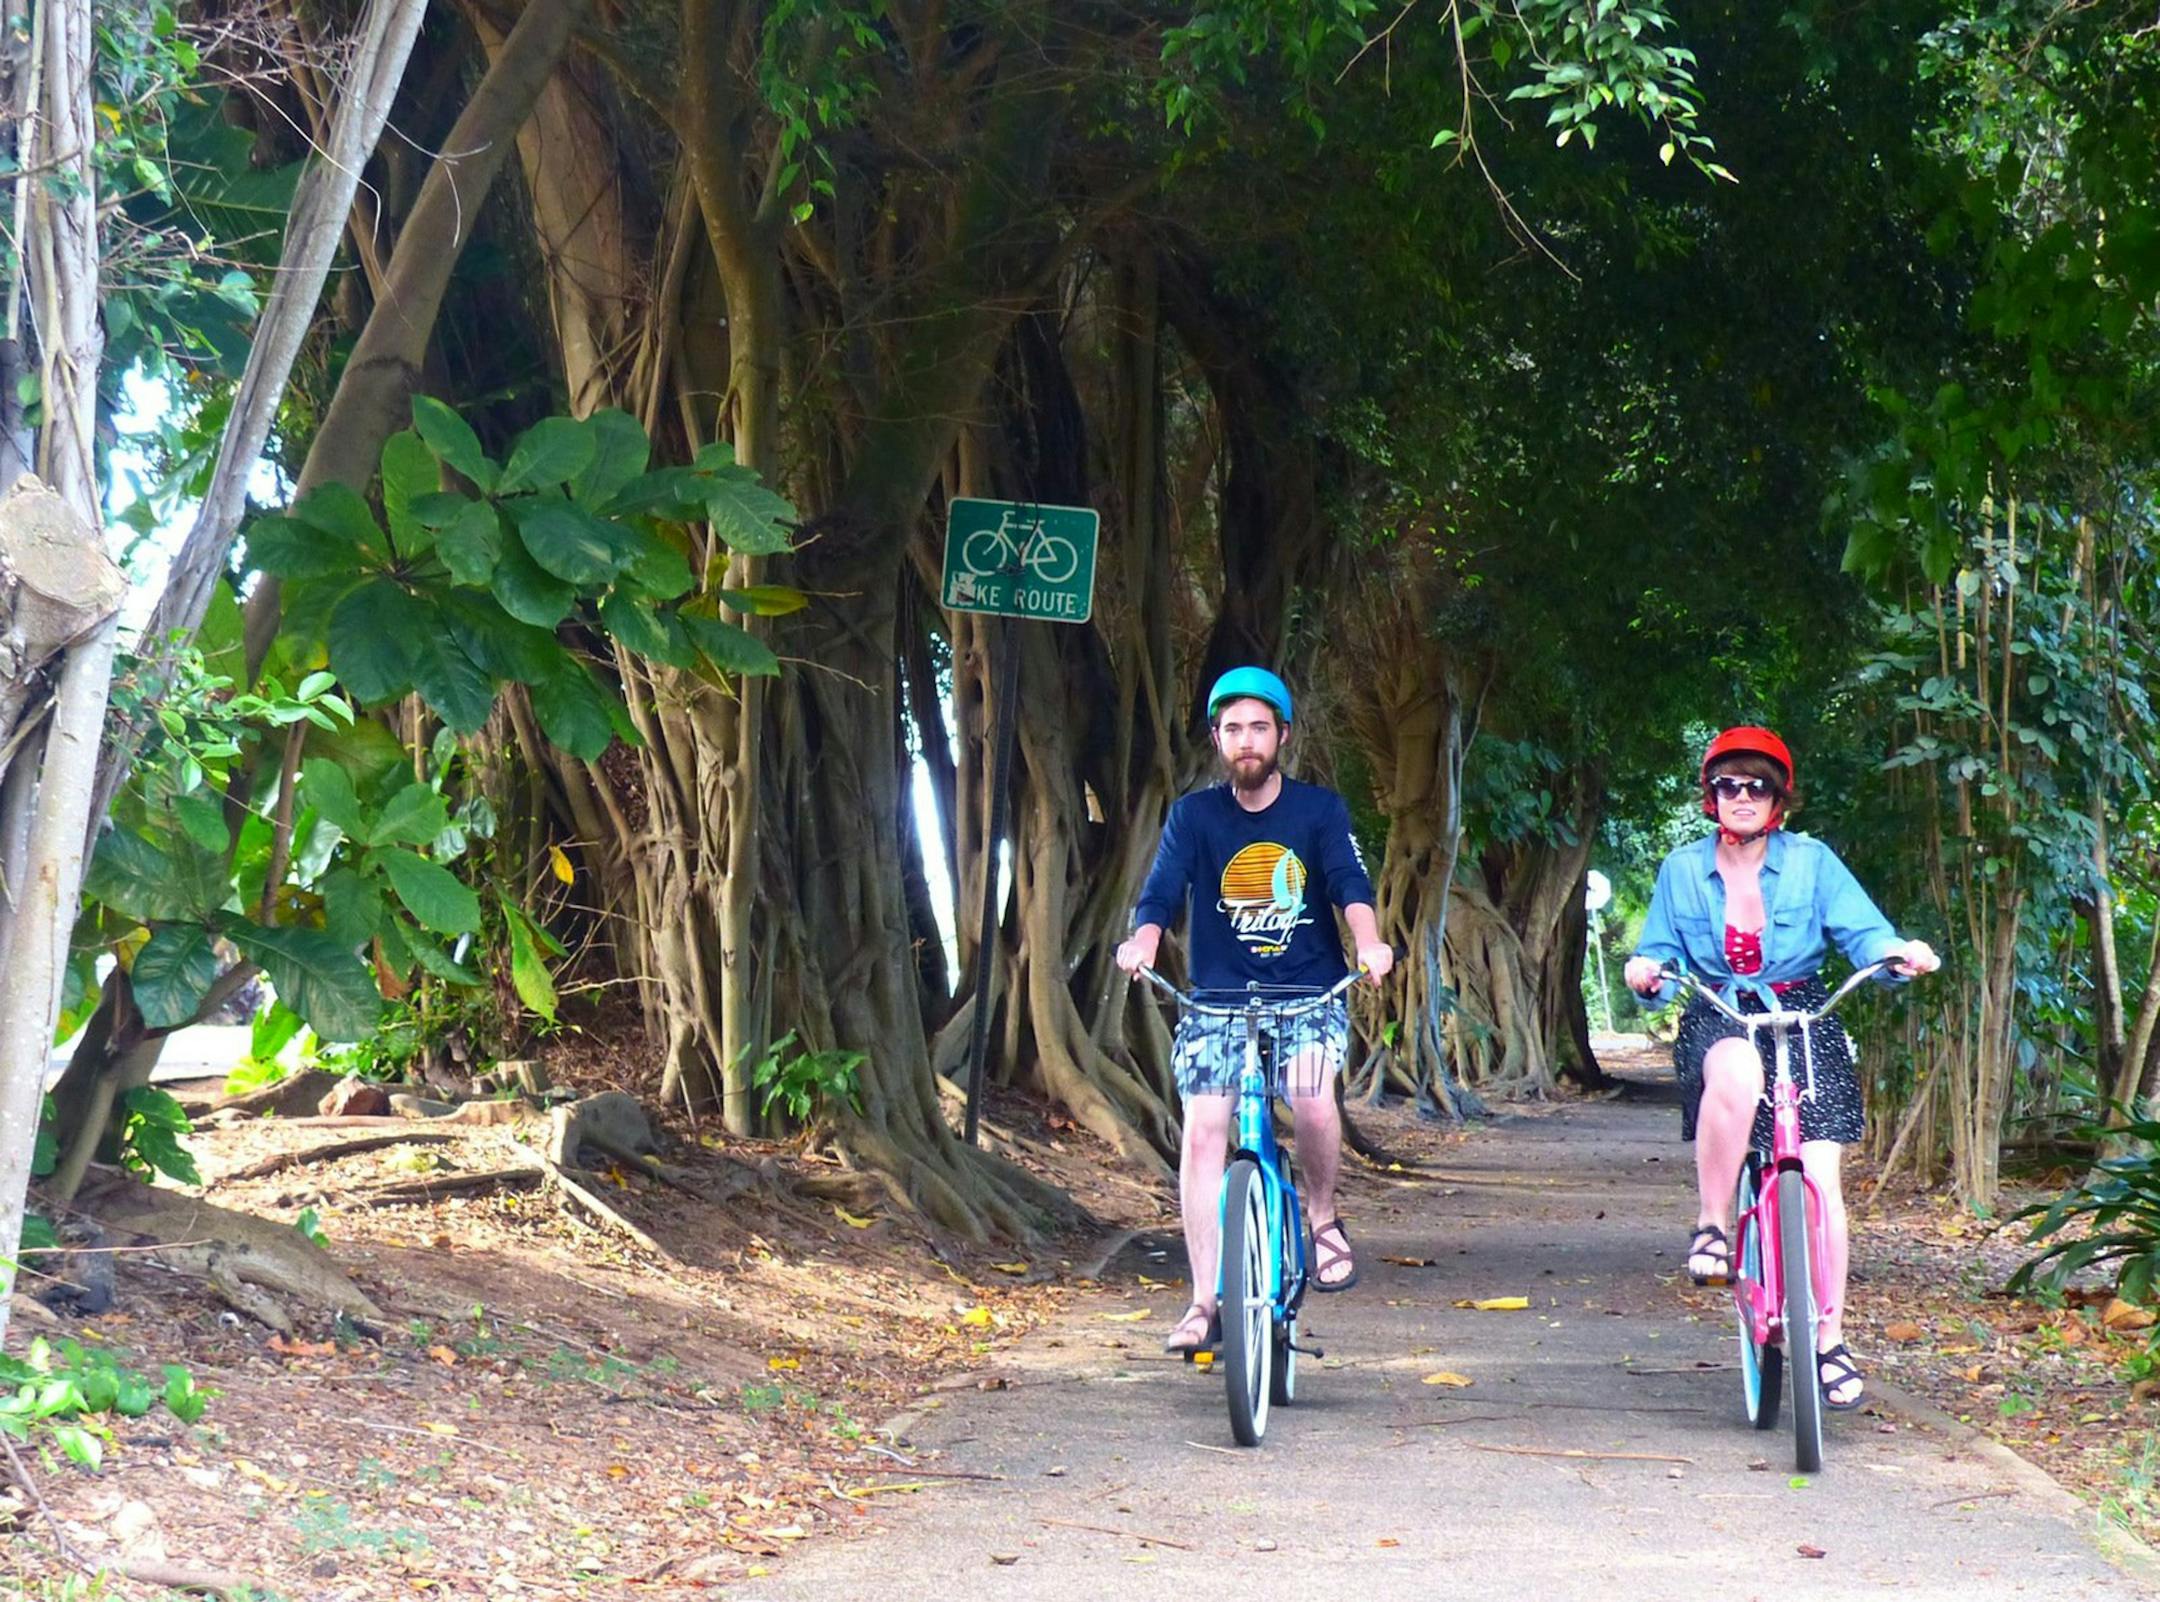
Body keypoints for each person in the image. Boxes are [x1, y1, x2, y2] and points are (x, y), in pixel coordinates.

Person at [1623, 726, 1938, 1411]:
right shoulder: (1682, 869)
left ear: (1778, 799)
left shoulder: (1813, 862)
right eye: (1729, 785)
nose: (1742, 796)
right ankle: (1712, 1225)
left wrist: (1897, 953)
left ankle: (1829, 1338)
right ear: (1711, 796)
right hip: (1719, 1012)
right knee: (1737, 1069)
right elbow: (1659, 954)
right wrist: (1646, 973)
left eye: (1757, 786)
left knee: (1821, 1180)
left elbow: (1865, 933)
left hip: (1803, 1016)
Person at [1116, 666, 1394, 1355]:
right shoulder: (1194, 817)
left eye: (1259, 728)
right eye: (1233, 728)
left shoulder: (1319, 811)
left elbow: (1349, 885)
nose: (1246, 740)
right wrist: (1142, 942)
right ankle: (1204, 1301)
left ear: (1283, 736)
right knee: (1204, 1132)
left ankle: (1322, 1217)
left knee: (1312, 1100)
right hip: (1216, 1001)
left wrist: (1369, 944)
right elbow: (1160, 892)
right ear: (1217, 738)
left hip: (1306, 996)